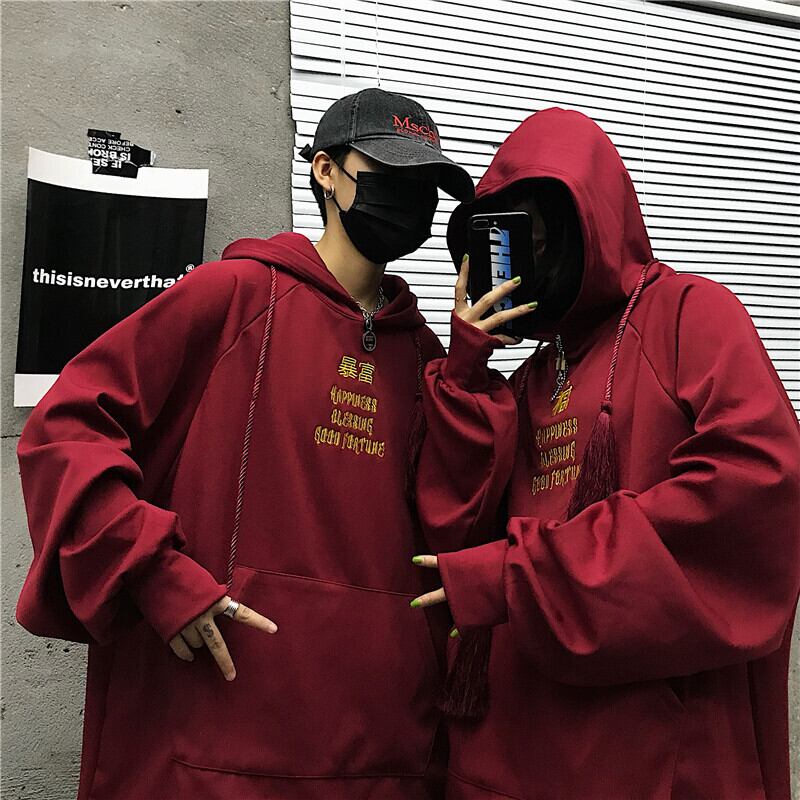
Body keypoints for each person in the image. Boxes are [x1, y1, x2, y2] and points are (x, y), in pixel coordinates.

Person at [15, 87, 529, 800]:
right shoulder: (233, 296)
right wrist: (154, 573)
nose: (410, 200)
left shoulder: (425, 356)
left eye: (425, 186)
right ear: (325, 171)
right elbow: (65, 430)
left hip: (382, 747)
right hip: (221, 732)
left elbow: (453, 526)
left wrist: (469, 366)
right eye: (389, 174)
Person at [409, 107, 800, 799]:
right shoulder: (532, 375)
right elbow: (454, 534)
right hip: (511, 755)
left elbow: (755, 492)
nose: (526, 254)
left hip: (641, 758)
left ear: (592, 218)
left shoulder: (688, 314)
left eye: (541, 227)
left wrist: (524, 576)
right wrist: (466, 369)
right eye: (508, 233)